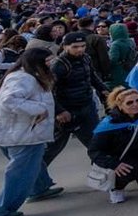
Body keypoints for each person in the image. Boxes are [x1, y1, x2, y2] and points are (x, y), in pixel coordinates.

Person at [0, 48, 62, 216]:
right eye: (48, 61)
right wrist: (39, 109)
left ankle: (39, 188)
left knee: (31, 163)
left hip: (17, 131)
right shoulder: (23, 78)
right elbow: (9, 100)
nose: (51, 63)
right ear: (37, 63)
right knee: (21, 172)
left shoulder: (25, 75)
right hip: (21, 133)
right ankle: (0, 211)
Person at [88, 87, 138, 204]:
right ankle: (116, 188)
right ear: (120, 105)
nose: (135, 104)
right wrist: (113, 164)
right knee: (128, 169)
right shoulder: (109, 124)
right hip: (120, 158)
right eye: (129, 102)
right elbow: (94, 150)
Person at [43, 31, 109, 169]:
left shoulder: (86, 58)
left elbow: (92, 76)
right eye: (75, 46)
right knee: (51, 149)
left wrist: (104, 90)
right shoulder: (58, 65)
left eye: (83, 46)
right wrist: (59, 111)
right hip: (67, 112)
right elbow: (48, 91)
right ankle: (35, 177)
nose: (80, 49)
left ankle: (103, 173)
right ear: (65, 46)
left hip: (86, 107)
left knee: (97, 144)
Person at [107, 22, 137, 89]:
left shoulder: (115, 44)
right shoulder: (130, 41)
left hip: (118, 71)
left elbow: (113, 59)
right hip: (129, 67)